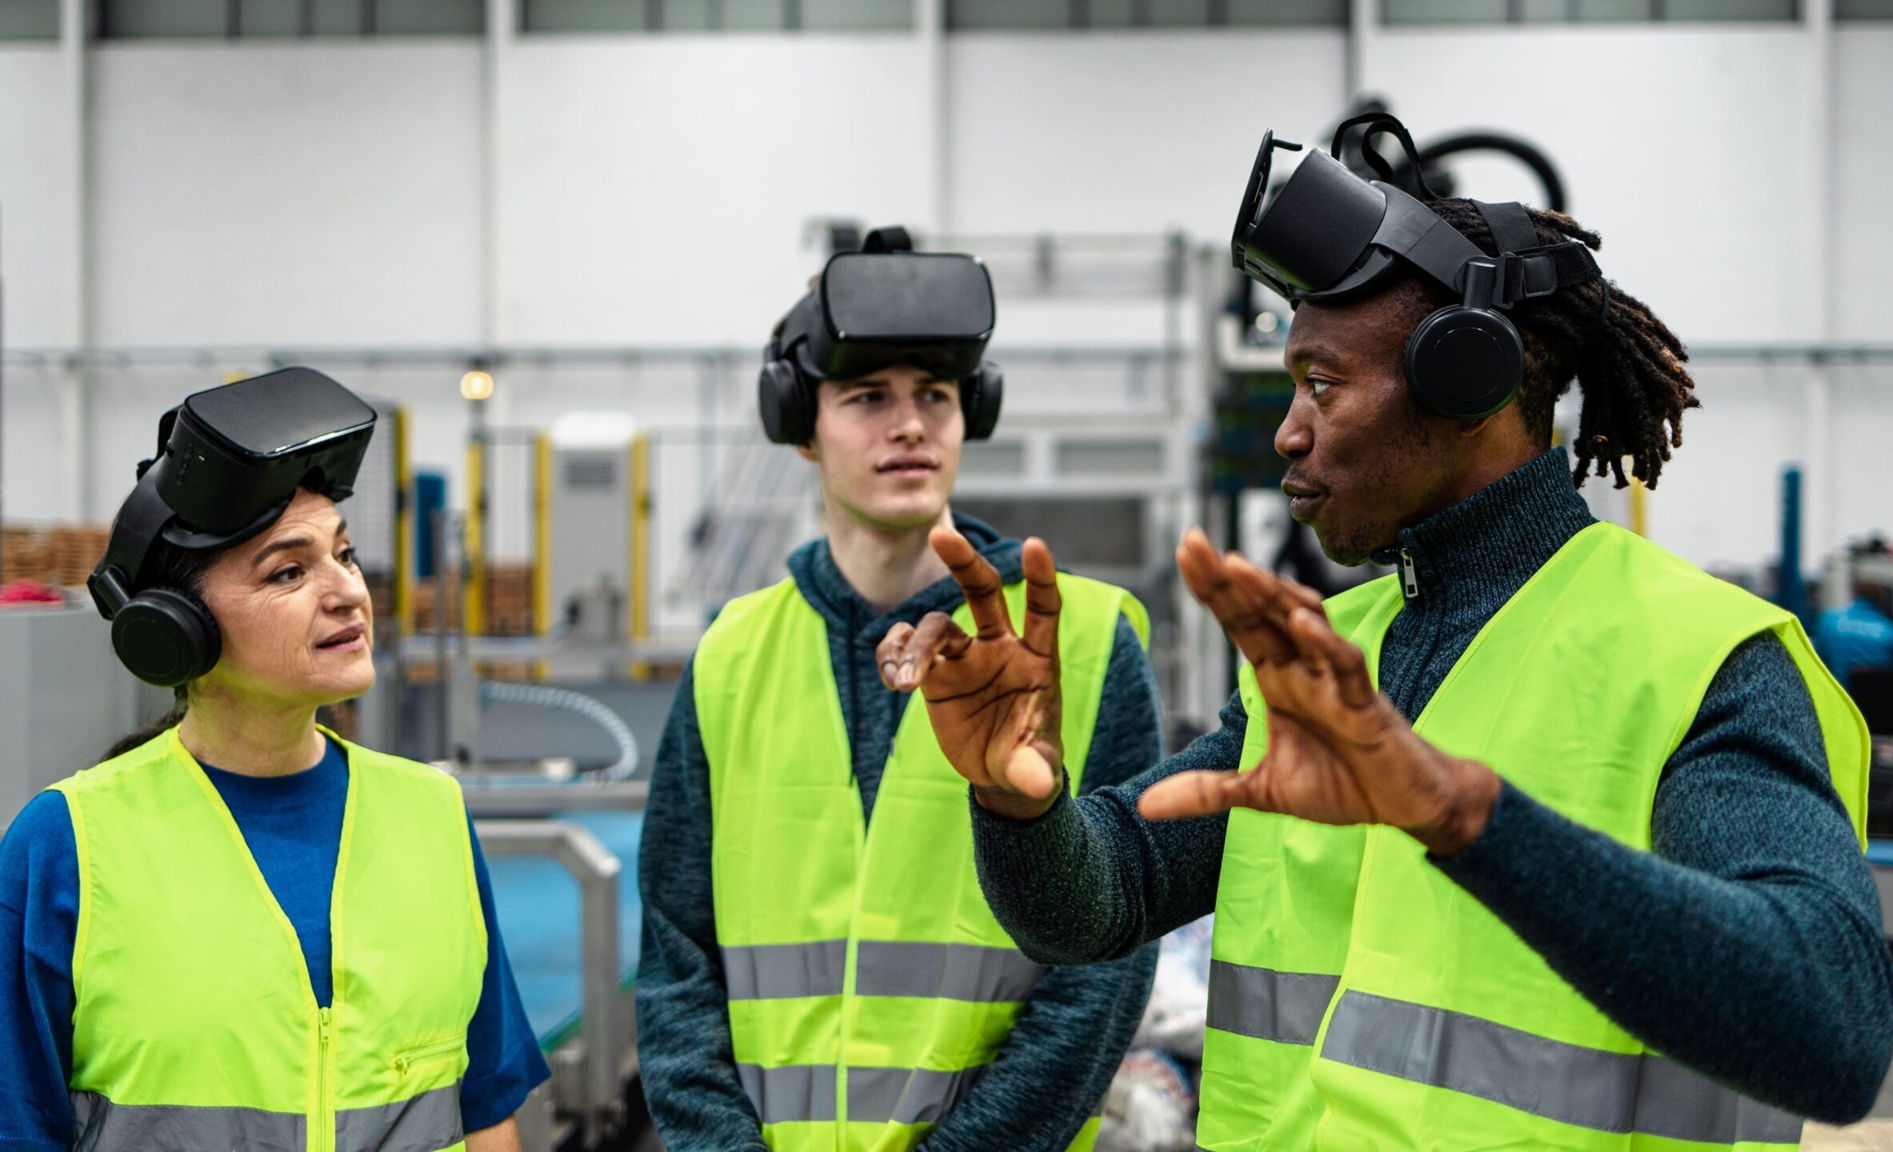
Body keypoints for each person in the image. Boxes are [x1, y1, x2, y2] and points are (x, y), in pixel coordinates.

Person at [883, 117, 1893, 1151]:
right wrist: (1018, 804)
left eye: (1321, 385)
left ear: (1469, 382)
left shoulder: (1702, 663)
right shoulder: (1334, 653)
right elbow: (1102, 899)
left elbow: (1830, 1030)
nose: (1287, 429)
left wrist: (1470, 821)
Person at [636, 229, 1160, 1151]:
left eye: (936, 396)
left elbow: (1102, 974)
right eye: (868, 397)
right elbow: (677, 961)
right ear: (801, 423)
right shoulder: (730, 655)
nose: (909, 424)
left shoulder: (1085, 638)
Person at [0, 368, 549, 1151]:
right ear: (175, 626)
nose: (348, 593)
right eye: (289, 571)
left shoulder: (431, 815)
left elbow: (485, 1108)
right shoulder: (66, 847)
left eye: (345, 555)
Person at [1815, 578, 1893, 685]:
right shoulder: (1888, 629)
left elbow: (1816, 660)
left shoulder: (1828, 621)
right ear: (1880, 600)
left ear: (1854, 595)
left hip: (1836, 696)